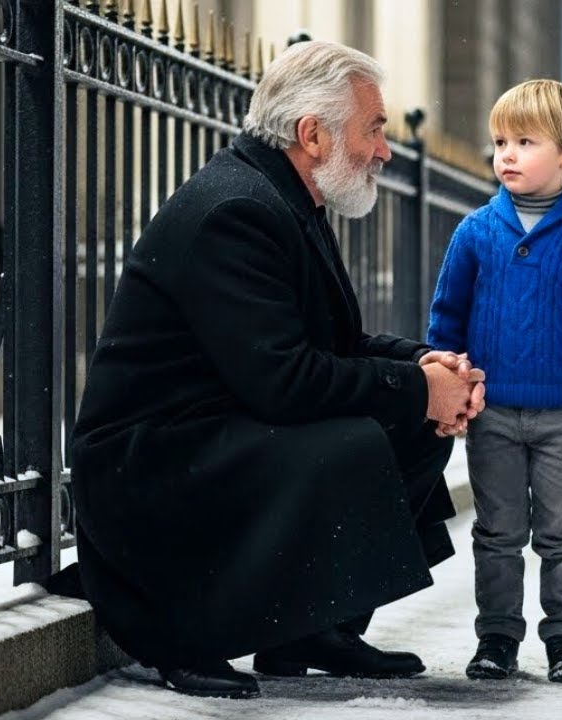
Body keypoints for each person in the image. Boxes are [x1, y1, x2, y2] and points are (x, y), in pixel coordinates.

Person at [67, 40, 485, 700]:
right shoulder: (237, 211)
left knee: (410, 423)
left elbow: (335, 343)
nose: (384, 149)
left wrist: (425, 369)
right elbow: (283, 381)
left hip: (218, 430)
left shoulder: (282, 197)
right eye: (373, 129)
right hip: (154, 466)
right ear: (313, 134)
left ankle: (310, 630)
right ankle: (185, 634)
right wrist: (416, 391)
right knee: (363, 435)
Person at [426, 79, 562, 683]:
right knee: (497, 532)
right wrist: (450, 388)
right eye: (499, 141)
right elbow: (447, 318)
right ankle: (497, 637)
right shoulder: (475, 232)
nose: (507, 154)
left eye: (525, 141)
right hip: (492, 414)